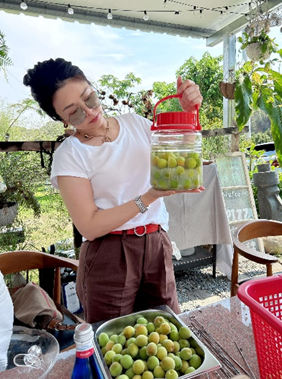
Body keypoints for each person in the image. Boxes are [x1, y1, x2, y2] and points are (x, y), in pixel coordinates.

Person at [23, 58, 203, 323]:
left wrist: (190, 111)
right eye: (74, 112)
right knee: (113, 342)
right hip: (109, 254)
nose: (90, 112)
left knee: (169, 333)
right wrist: (149, 197)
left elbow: (181, 155)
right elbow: (90, 226)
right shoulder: (70, 155)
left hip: (156, 243)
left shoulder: (137, 124)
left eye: (90, 98)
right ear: (61, 119)